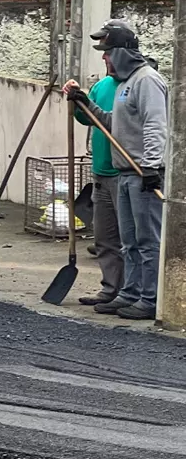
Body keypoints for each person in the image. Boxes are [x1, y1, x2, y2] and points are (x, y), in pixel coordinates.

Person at [65, 19, 168, 320]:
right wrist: (86, 104)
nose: (104, 57)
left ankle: (149, 299)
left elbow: (155, 125)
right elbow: (114, 125)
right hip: (124, 173)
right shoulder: (125, 84)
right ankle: (129, 294)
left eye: (107, 51)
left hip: (141, 173)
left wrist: (150, 167)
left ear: (121, 51)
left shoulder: (147, 80)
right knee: (129, 241)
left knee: (147, 241)